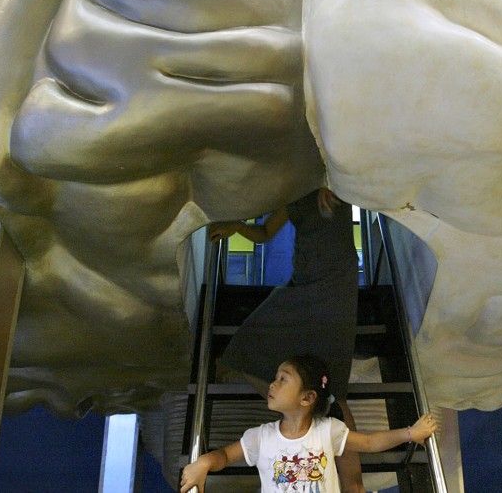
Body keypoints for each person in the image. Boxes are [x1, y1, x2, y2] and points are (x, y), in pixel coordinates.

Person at [209, 187, 365, 489]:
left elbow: (368, 176)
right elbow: (266, 232)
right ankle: (307, 407)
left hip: (335, 282)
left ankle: (354, 485)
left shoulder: (335, 179)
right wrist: (237, 227)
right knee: (247, 343)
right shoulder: (289, 189)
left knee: (336, 387)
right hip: (304, 281)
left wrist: (332, 181)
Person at [179, 355, 439, 493]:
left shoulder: (328, 430)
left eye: (283, 379)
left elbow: (369, 442)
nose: (272, 384)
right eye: (275, 378)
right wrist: (204, 463)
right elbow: (225, 455)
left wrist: (410, 433)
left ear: (307, 398)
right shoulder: (261, 437)